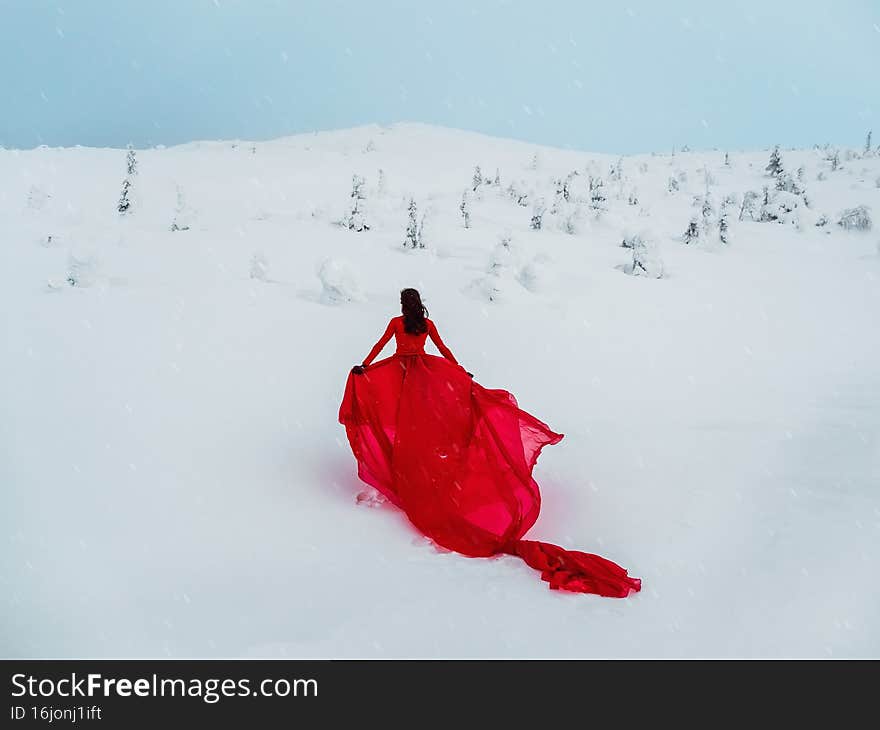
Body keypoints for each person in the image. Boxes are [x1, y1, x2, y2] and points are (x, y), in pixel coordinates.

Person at [338, 288, 640, 597]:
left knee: (405, 418)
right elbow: (443, 349)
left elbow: (381, 346)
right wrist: (456, 370)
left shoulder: (396, 323)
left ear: (404, 305)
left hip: (402, 373)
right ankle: (421, 458)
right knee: (422, 420)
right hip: (425, 374)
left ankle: (410, 464)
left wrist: (364, 365)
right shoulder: (425, 325)